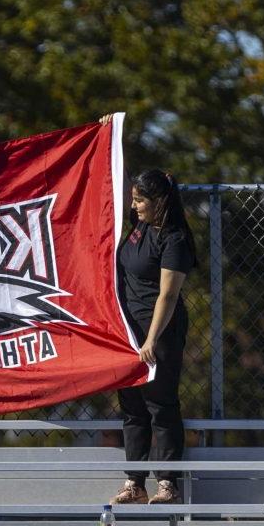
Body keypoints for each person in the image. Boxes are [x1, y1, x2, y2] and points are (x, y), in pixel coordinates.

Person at [107, 159, 197, 506]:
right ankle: (135, 482)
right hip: (128, 330)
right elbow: (116, 172)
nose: (134, 206)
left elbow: (168, 294)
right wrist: (106, 134)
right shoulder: (138, 227)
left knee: (160, 404)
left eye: (140, 200)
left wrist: (151, 339)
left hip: (158, 329)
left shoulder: (174, 238)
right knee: (131, 407)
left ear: (159, 201)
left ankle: (168, 483)